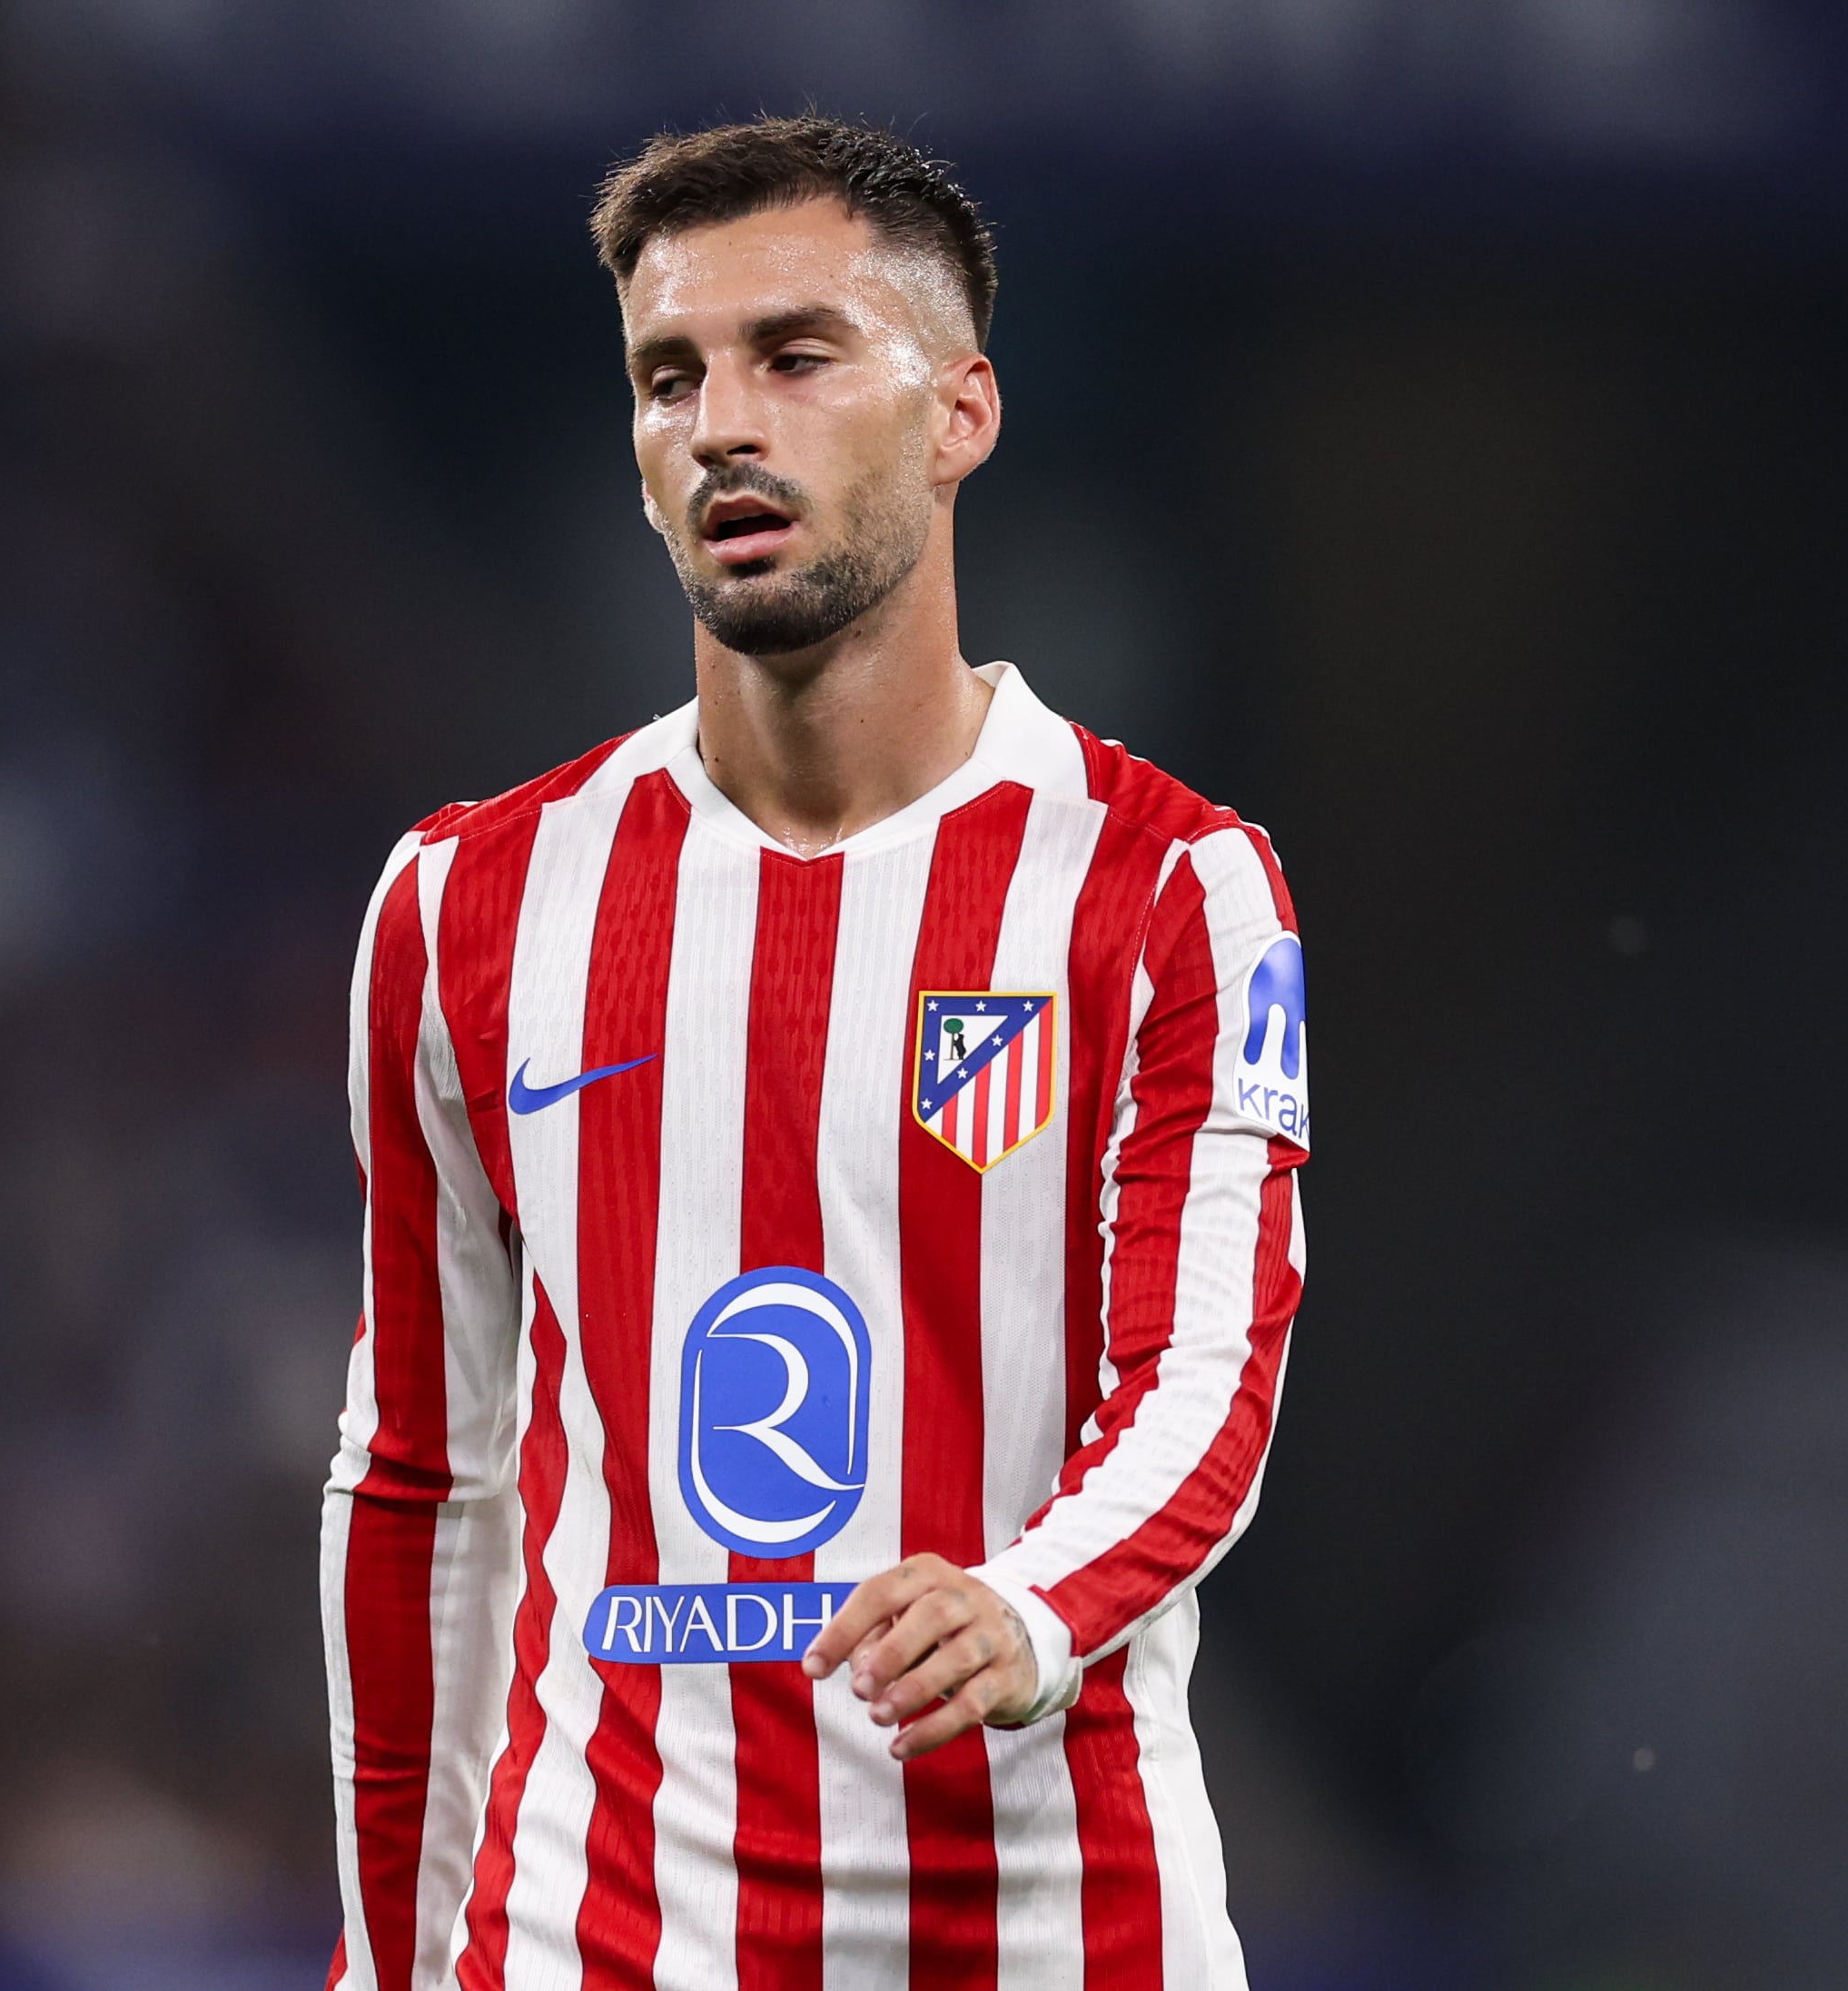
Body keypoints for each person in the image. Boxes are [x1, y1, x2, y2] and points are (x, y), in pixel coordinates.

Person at [322, 114, 1309, 1991]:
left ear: (961, 413)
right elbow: (419, 1481)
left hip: (1051, 1930)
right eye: (669, 378)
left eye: (795, 357)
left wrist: (1029, 1605)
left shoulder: (1171, 886)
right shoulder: (469, 903)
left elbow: (1205, 1379)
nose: (721, 427)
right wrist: (387, 1955)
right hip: (604, 1931)